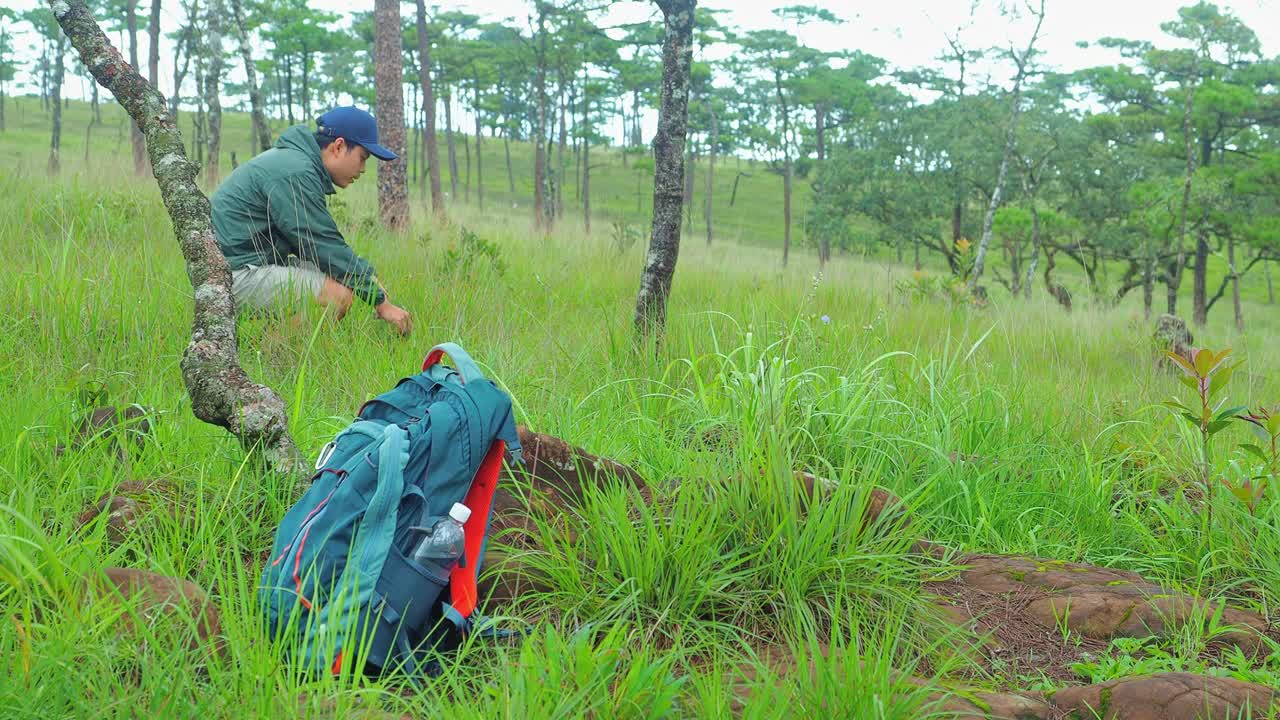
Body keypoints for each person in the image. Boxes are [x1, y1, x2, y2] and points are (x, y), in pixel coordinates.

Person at [210, 105, 413, 336]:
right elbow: (322, 246)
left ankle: (263, 349)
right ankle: (275, 360)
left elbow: (320, 250)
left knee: (340, 280)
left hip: (242, 266)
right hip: (228, 277)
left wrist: (367, 280)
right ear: (338, 146)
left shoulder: (296, 163)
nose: (364, 169)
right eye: (362, 158)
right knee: (336, 296)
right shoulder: (295, 172)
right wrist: (380, 302)